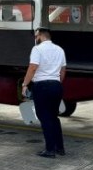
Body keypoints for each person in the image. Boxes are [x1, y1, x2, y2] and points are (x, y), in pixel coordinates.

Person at [21, 27, 67, 158]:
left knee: (44, 117)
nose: (35, 39)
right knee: (54, 117)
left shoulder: (37, 49)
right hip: (56, 85)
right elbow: (63, 70)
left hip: (42, 86)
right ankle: (60, 148)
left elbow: (33, 67)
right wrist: (57, 82)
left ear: (41, 36)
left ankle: (50, 150)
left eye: (36, 37)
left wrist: (25, 84)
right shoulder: (59, 50)